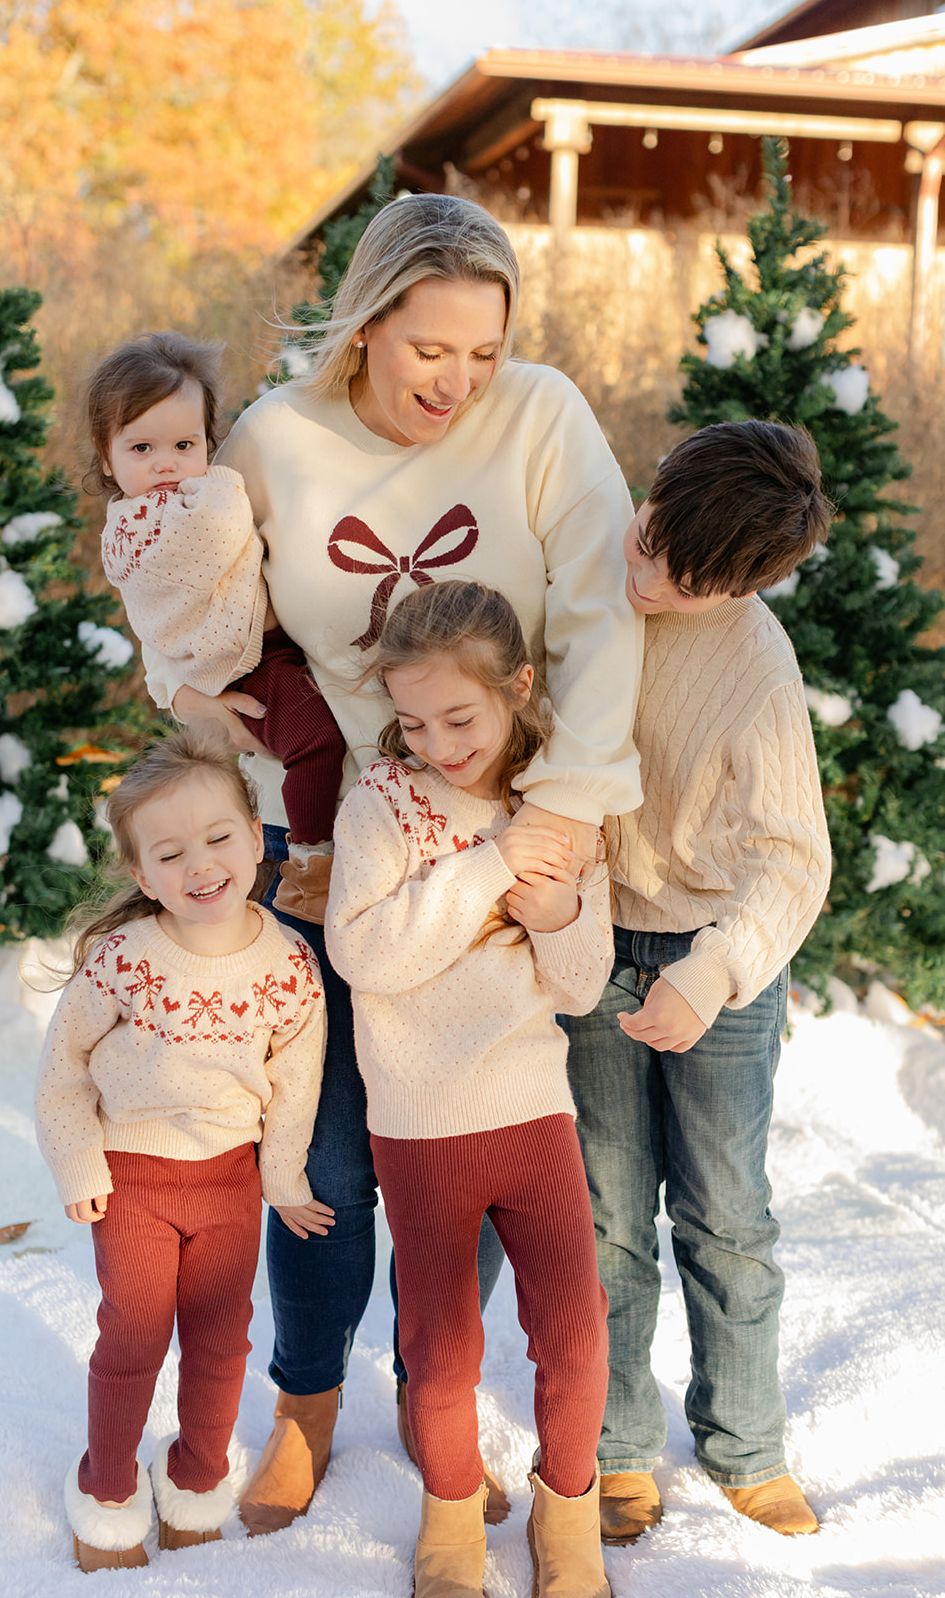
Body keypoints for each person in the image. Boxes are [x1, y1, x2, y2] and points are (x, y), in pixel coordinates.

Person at [138, 192, 643, 1535]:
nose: (457, 383)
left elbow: (595, 618)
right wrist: (178, 683)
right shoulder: (274, 441)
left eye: (481, 354)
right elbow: (190, 591)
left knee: (482, 1146)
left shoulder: (539, 418)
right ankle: (305, 1402)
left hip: (505, 831)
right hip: (333, 846)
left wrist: (568, 816)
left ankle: (438, 1388)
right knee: (324, 1153)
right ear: (364, 324)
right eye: (430, 350)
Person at [563, 420, 833, 1545]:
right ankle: (617, 1446)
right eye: (647, 536)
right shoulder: (586, 581)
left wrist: (709, 974)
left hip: (714, 955)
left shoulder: (754, 666)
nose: (645, 574)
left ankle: (744, 1441)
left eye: (679, 577)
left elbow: (792, 861)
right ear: (656, 478)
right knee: (604, 1215)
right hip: (588, 951)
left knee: (722, 1216)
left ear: (743, 584)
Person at [326, 581, 613, 1598]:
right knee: (439, 1350)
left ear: (517, 688)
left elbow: (580, 982)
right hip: (419, 1123)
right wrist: (485, 867)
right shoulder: (382, 806)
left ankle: (565, 1514)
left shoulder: (558, 810)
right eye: (412, 722)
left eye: (460, 717)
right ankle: (448, 1517)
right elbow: (365, 953)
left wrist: (559, 907)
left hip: (532, 1111)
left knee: (574, 1331)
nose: (439, 743)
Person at [34, 730, 329, 1571]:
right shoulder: (126, 961)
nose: (200, 865)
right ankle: (105, 1491)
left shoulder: (289, 964)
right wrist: (80, 1164)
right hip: (132, 1179)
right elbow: (62, 1072)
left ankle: (196, 1478)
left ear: (254, 830)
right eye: (169, 853)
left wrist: (282, 1178)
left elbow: (293, 1083)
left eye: (219, 837)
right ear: (141, 876)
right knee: (133, 1334)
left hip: (229, 1182)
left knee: (219, 1337)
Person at [87, 332, 346, 923]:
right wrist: (222, 484)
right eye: (141, 447)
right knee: (315, 740)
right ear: (107, 458)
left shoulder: (176, 503)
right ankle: (311, 861)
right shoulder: (145, 529)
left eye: (185, 443)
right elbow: (221, 532)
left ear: (210, 441)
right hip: (246, 664)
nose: (166, 463)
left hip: (260, 651)